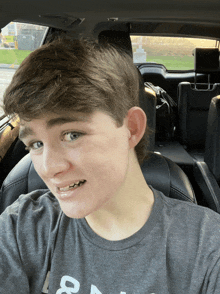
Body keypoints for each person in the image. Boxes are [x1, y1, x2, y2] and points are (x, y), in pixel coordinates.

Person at [1, 38, 220, 294]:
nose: (49, 168)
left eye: (72, 135)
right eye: (36, 144)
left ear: (132, 129)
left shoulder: (207, 247)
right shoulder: (22, 227)